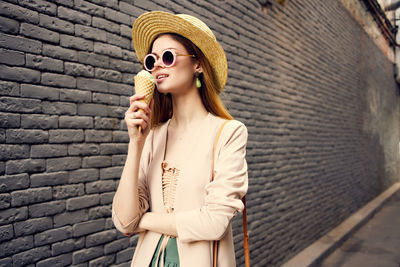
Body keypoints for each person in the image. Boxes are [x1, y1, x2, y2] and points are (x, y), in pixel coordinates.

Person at [112, 11, 248, 267]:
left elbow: (214, 223)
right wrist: (136, 143)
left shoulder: (229, 133)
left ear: (197, 64)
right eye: (152, 60)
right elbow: (124, 219)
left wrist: (145, 220)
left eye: (168, 56)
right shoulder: (151, 136)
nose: (158, 65)